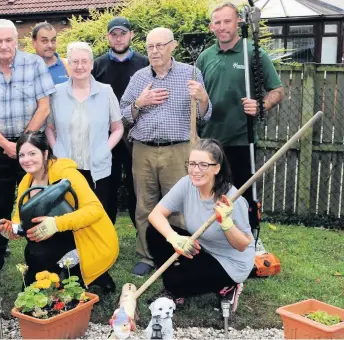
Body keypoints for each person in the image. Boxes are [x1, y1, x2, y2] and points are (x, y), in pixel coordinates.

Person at [120, 27, 212, 277]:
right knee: (145, 205)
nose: (155, 51)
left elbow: (205, 115)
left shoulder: (191, 73)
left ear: (173, 46)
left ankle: (176, 254)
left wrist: (203, 97)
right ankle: (147, 255)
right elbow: (122, 114)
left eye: (160, 45)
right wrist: (140, 103)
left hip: (179, 150)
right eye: (150, 46)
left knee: (179, 206)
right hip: (143, 150)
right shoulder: (139, 77)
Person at [0, 19, 56, 279]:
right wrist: (4, 143)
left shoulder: (34, 64)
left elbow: (44, 106)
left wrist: (22, 145)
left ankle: (43, 255)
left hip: (31, 145)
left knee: (38, 200)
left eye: (9, 40)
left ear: (16, 40)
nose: (4, 45)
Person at [197, 2, 285, 232]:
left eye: (227, 21)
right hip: (209, 141)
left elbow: (277, 90)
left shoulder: (253, 54)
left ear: (238, 22)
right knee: (209, 194)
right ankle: (213, 237)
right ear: (211, 27)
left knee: (241, 196)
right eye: (218, 22)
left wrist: (261, 105)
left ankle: (250, 237)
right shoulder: (205, 58)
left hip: (240, 139)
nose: (222, 26)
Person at [0, 131, 118, 289]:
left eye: (32, 153)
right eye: (22, 155)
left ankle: (95, 274)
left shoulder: (66, 174)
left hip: (82, 236)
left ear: (45, 153)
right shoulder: (26, 182)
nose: (26, 160)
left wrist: (56, 223)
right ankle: (58, 270)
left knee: (71, 287)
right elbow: (20, 217)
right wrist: (12, 228)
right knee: (33, 260)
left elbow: (95, 210)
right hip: (53, 238)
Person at [147, 139, 255, 303]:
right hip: (203, 248)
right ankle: (175, 284)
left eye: (203, 165)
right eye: (192, 164)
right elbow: (155, 215)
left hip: (229, 263)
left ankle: (229, 286)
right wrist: (174, 238)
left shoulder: (231, 198)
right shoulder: (186, 184)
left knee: (174, 282)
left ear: (216, 168)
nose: (196, 170)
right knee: (154, 232)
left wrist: (226, 223)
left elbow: (242, 245)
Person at [46, 42, 124, 208]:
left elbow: (118, 128)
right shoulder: (56, 93)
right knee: (68, 214)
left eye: (84, 61)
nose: (79, 66)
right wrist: (56, 148)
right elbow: (49, 127)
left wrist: (105, 148)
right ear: (69, 64)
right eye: (74, 62)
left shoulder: (105, 91)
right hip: (66, 166)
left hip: (97, 167)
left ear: (91, 64)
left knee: (95, 214)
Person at [91, 17, 149, 225]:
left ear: (131, 35)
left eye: (122, 34)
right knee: (107, 187)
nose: (118, 39)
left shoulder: (144, 63)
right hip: (107, 137)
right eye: (113, 34)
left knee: (137, 187)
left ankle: (141, 233)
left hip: (137, 136)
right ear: (108, 37)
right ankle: (106, 235)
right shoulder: (97, 65)